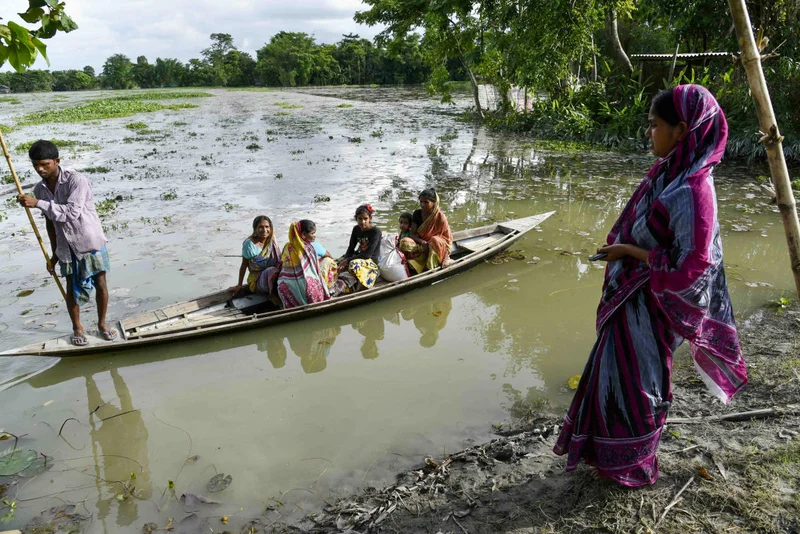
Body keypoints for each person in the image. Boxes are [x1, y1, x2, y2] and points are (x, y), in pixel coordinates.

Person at [553, 85, 748, 487]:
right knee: (613, 372)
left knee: (640, 381)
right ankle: (606, 455)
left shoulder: (694, 189)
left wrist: (631, 252)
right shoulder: (667, 174)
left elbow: (693, 267)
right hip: (634, 299)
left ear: (681, 130)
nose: (649, 133)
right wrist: (623, 251)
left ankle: (634, 464)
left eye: (655, 125)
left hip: (653, 305)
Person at [17, 140, 114, 346]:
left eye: (45, 164)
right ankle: (77, 327)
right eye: (35, 165)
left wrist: (38, 203)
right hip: (65, 245)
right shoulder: (40, 189)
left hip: (89, 240)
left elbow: (71, 213)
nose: (40, 169)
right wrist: (53, 254)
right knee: (71, 287)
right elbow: (51, 223)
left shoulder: (76, 181)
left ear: (57, 161)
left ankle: (103, 325)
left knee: (100, 283)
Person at [276, 220, 331, 308]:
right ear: (304, 234)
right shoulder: (310, 247)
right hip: (309, 290)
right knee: (329, 262)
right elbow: (328, 256)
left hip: (285, 288)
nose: (314, 236)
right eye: (312, 233)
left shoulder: (287, 247)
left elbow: (282, 264)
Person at [399, 188, 453, 273]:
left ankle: (431, 265)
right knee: (404, 242)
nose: (423, 205)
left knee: (435, 240)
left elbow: (447, 240)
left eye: (426, 202)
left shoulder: (440, 217)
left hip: (435, 247)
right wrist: (422, 242)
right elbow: (412, 234)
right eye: (421, 202)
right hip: (421, 246)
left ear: (434, 203)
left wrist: (446, 259)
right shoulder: (417, 214)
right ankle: (408, 264)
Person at [229, 215, 281, 301]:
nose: (264, 230)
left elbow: (279, 258)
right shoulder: (249, 244)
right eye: (261, 227)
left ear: (270, 228)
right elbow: (244, 266)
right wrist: (239, 285)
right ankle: (273, 296)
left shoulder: (272, 240)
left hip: (274, 276)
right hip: (257, 280)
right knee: (272, 271)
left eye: (267, 227)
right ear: (255, 228)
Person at [337, 204, 382, 293]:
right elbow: (351, 248)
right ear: (356, 219)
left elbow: (367, 255)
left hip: (370, 260)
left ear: (370, 218)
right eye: (360, 219)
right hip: (358, 256)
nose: (362, 222)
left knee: (353, 264)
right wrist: (345, 260)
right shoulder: (356, 229)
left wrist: (347, 261)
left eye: (365, 219)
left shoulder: (375, 232)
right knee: (336, 263)